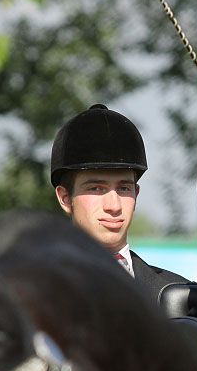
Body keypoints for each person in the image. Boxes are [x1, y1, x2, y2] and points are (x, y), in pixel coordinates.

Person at [51, 103, 189, 301]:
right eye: (96, 188)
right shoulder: (27, 290)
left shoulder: (181, 295)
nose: (114, 206)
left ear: (136, 193)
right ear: (65, 198)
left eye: (124, 189)